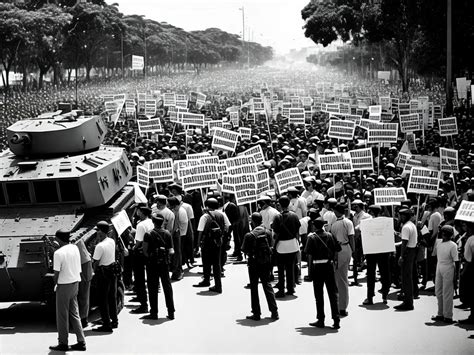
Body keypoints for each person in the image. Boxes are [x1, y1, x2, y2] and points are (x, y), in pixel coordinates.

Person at [50, 229, 86, 352]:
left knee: (62, 316)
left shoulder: (58, 253)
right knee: (74, 314)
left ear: (59, 239)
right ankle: (81, 341)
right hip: (75, 283)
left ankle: (63, 343)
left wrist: (55, 284)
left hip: (64, 285)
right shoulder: (75, 248)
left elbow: (56, 274)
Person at [241, 212, 279, 321]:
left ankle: (256, 313)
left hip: (253, 263)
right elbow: (271, 246)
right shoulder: (267, 232)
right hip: (266, 262)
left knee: (254, 287)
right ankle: (274, 311)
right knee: (267, 285)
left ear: (252, 221)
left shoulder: (249, 235)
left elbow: (244, 249)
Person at [305, 217, 341, 329]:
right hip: (329, 267)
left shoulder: (311, 238)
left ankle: (321, 319)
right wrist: (335, 263)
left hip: (317, 268)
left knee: (319, 296)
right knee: (333, 294)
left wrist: (309, 272)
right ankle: (336, 320)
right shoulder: (330, 236)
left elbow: (309, 257)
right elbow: (337, 250)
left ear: (314, 226)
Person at [142, 214, 176, 320]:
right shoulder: (167, 234)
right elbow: (171, 251)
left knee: (152, 288)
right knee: (167, 288)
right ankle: (171, 312)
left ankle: (154, 313)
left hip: (152, 265)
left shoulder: (148, 234)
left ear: (153, 222)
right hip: (164, 264)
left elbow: (145, 251)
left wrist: (152, 257)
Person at [194, 198, 230, 293]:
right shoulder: (222, 214)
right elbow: (227, 226)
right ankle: (218, 285)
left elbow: (200, 231)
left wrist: (198, 245)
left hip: (207, 243)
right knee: (217, 264)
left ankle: (206, 280)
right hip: (218, 242)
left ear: (207, 206)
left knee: (206, 262)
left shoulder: (205, 216)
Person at [272, 195, 301, 298]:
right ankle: (290, 288)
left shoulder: (277, 217)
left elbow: (275, 233)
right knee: (290, 267)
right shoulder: (294, 216)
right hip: (293, 244)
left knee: (280, 269)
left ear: (279, 204)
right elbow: (297, 231)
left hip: (281, 246)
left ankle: (281, 290)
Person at [92, 221, 118, 332]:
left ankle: (106, 324)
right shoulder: (111, 241)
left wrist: (93, 273)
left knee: (102, 300)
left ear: (101, 232)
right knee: (112, 297)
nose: (97, 233)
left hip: (103, 274)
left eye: (97, 230)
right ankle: (114, 321)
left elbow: (96, 263)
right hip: (112, 271)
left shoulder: (99, 246)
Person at [362, 205, 391, 305]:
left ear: (372, 213)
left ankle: (370, 297)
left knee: (371, 274)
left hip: (371, 251)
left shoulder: (368, 222)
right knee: (385, 273)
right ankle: (385, 296)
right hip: (383, 251)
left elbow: (358, 229)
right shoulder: (386, 221)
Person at [330, 203, 355, 317]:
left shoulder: (334, 225)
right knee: (343, 278)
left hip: (338, 251)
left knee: (337, 279)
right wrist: (353, 251)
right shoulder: (349, 222)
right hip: (347, 248)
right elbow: (351, 238)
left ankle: (340, 307)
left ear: (336, 212)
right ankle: (343, 306)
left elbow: (333, 241)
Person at [431, 225, 458, 323]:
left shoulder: (453, 245)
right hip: (439, 267)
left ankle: (448, 316)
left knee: (447, 292)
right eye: (443, 233)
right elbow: (434, 256)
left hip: (448, 268)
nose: (444, 235)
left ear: (450, 235)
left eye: (446, 233)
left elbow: (456, 261)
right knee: (438, 291)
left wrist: (456, 275)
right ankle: (440, 313)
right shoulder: (439, 244)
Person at [131, 206, 154, 314]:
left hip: (140, 253)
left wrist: (132, 248)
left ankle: (143, 304)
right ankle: (142, 298)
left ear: (142, 213)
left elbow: (138, 242)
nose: (137, 212)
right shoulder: (151, 222)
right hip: (149, 252)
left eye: (138, 211)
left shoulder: (140, 225)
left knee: (139, 279)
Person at [394, 208, 417, 311]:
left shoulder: (406, 227)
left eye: (400, 216)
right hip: (412, 251)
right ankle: (407, 299)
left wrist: (401, 256)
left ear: (404, 216)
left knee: (406, 278)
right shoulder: (412, 225)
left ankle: (408, 303)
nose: (399, 218)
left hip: (407, 253)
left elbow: (404, 243)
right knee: (408, 277)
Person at [168, 196, 188, 281]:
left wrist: (171, 235)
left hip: (178, 235)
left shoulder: (179, 211)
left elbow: (176, 225)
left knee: (177, 254)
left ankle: (178, 272)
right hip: (178, 234)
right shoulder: (176, 210)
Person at [75, 238, 93, 328]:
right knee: (83, 295)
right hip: (82, 263)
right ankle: (82, 318)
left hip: (83, 264)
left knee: (83, 294)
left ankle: (83, 319)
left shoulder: (75, 239)